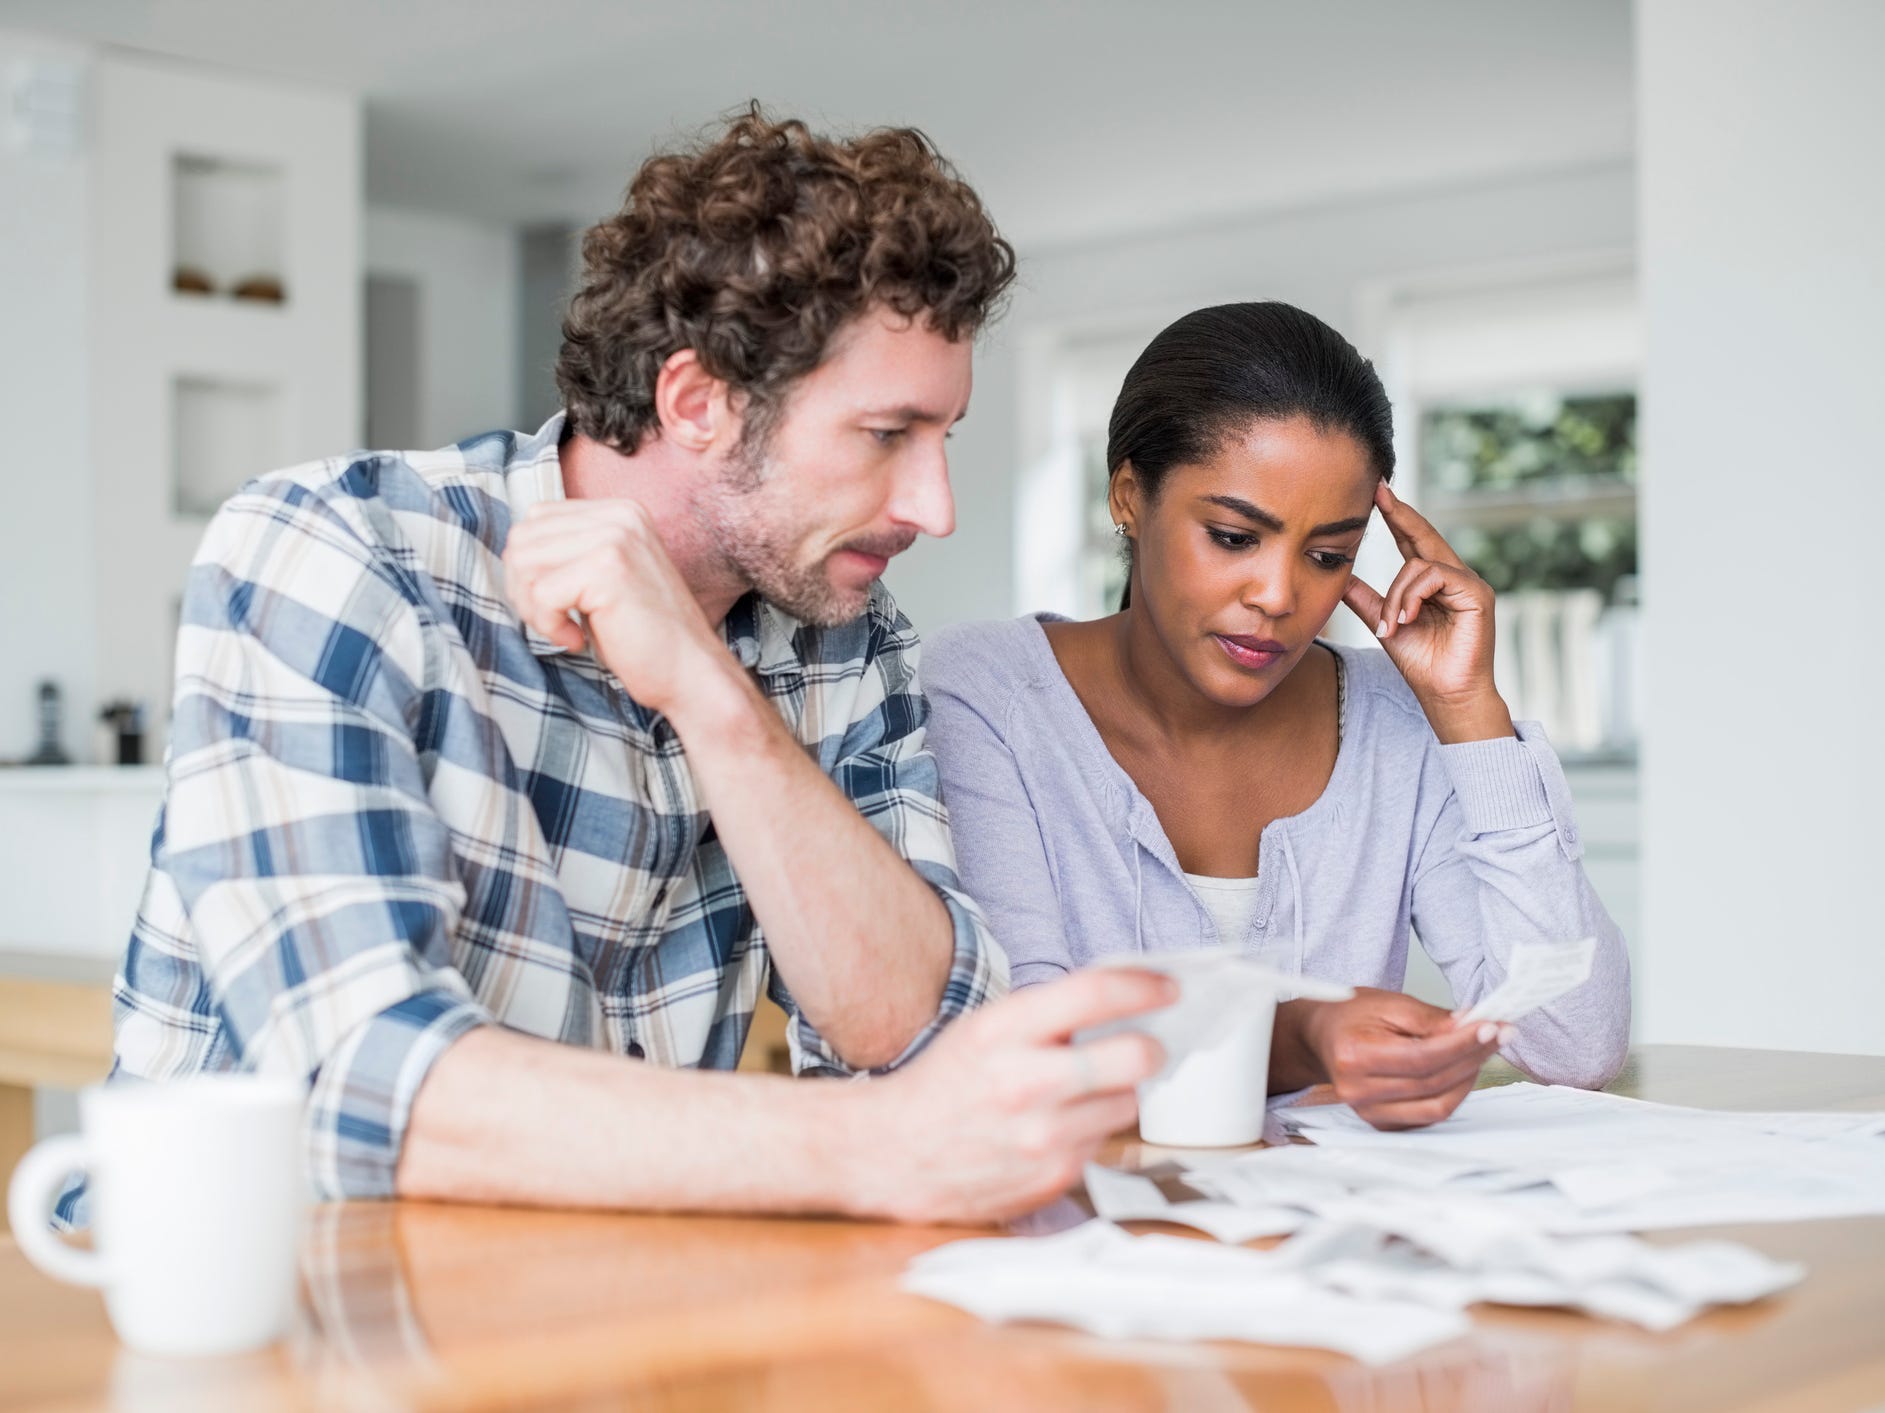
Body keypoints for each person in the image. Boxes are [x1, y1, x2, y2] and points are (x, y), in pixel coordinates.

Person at [57, 109, 1172, 1230]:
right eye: (887, 435)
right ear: (695, 402)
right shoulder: (337, 552)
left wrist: (712, 698)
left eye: (945, 439)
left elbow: (917, 1033)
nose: (935, 508)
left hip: (590, 1316)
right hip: (260, 1317)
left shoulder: (846, 635)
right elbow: (360, 1081)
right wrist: (865, 1151)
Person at [922, 301, 1630, 1131]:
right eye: (1230, 537)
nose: (1279, 596)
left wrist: (1468, 712)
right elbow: (1018, 1049)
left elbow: (1575, 1044)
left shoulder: (1393, 721)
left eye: (1328, 555)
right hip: (1079, 1243)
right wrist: (1295, 1036)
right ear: (1127, 496)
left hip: (1335, 1245)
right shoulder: (990, 694)